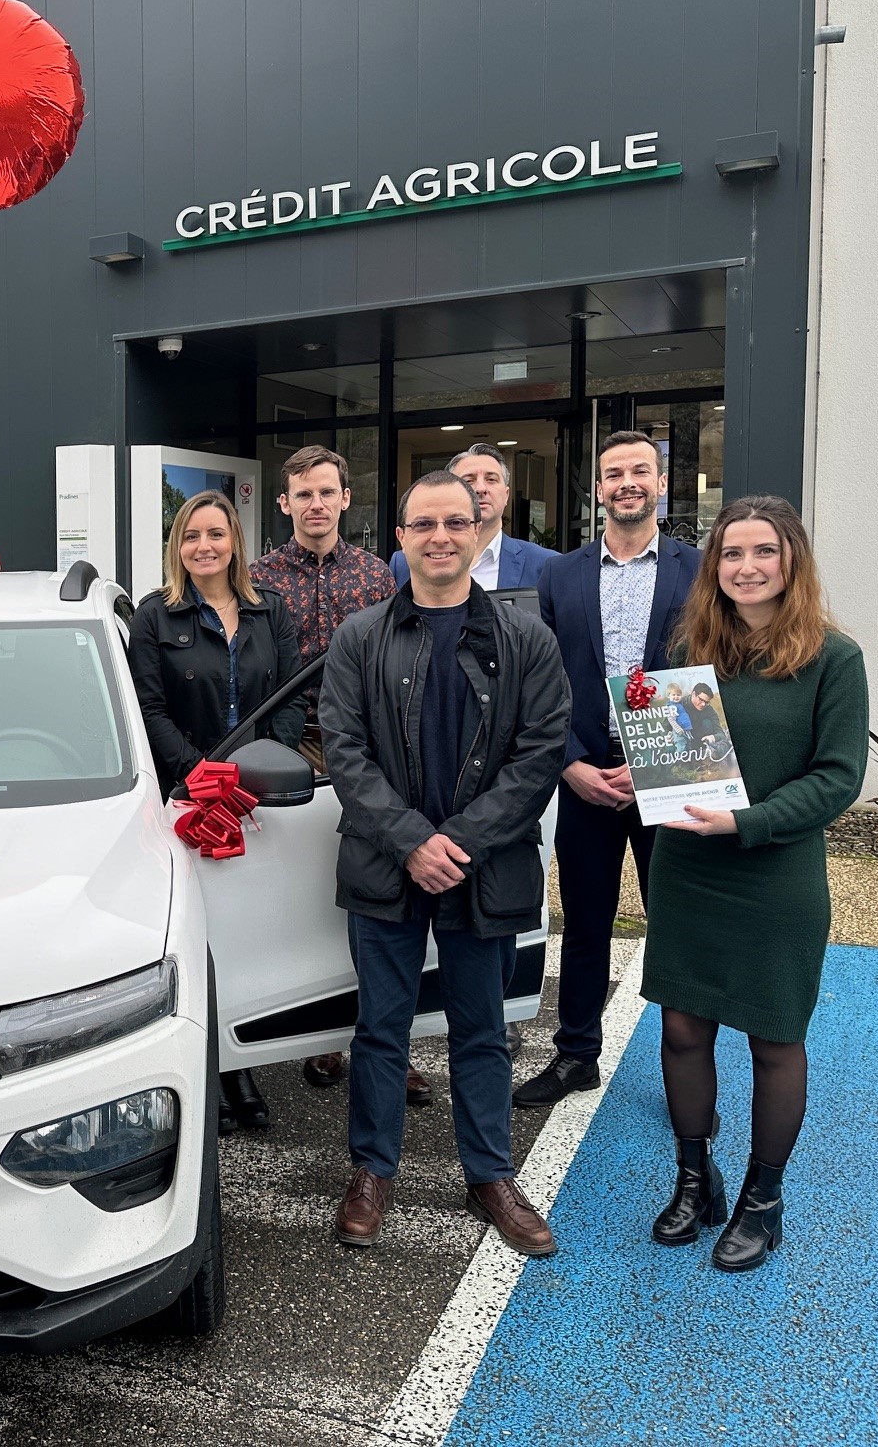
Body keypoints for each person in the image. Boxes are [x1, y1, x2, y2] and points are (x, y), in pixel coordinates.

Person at [319, 471, 569, 1255]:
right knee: (382, 1028)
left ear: (479, 531)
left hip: (481, 867)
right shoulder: (360, 636)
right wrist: (410, 841)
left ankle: (489, 1174)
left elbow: (540, 755)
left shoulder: (526, 638)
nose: (440, 537)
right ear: (400, 539)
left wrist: (456, 843)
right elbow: (345, 751)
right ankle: (371, 1170)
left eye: (454, 522)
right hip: (386, 864)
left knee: (483, 1030)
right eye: (422, 524)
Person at [643, 496, 866, 1272]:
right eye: (731, 554)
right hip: (689, 872)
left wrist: (748, 822)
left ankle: (763, 1202)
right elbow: (673, 761)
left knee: (775, 1041)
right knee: (681, 1030)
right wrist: (640, 776)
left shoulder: (834, 659)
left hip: (775, 877)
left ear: (791, 560)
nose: (746, 567)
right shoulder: (690, 654)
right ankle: (695, 1178)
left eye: (763, 552)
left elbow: (839, 777)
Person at [515, 431, 701, 1108]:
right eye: (613, 472)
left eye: (639, 471)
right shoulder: (559, 575)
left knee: (676, 928)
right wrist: (568, 765)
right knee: (586, 925)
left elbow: (715, 672)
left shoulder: (699, 568)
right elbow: (539, 683)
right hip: (587, 775)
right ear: (598, 489)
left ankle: (685, 1071)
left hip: (671, 772)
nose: (626, 482)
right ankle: (575, 1056)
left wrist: (659, 768)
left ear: (659, 484)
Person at [247, 445, 429, 1105]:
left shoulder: (379, 575)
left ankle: (390, 1044)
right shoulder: (259, 577)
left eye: (328, 492)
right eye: (304, 494)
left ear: (346, 499)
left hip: (371, 749)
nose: (316, 504)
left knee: (377, 899)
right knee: (308, 896)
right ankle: (321, 1032)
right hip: (295, 750)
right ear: (284, 502)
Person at [129, 489, 304, 1133]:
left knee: (248, 933)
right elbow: (147, 709)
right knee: (197, 938)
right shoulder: (156, 617)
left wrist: (256, 766)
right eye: (192, 536)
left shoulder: (269, 613)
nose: (205, 546)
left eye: (217, 534)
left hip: (254, 797)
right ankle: (210, 1070)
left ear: (236, 542)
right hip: (186, 800)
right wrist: (200, 775)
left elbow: (290, 702)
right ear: (178, 546)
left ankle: (241, 1060)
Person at [390, 443, 558, 591]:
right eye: (468, 481)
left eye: (491, 479)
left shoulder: (546, 565)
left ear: (506, 495)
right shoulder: (403, 562)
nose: (480, 488)